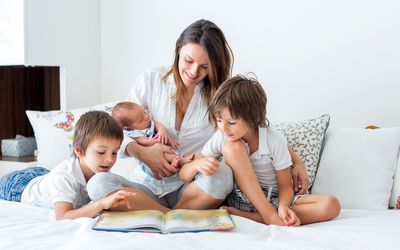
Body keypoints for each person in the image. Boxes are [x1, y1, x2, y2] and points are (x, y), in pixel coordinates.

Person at [87, 19, 308, 212]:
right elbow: (115, 131)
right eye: (188, 61)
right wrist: (141, 152)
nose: (194, 72)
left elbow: (255, 130)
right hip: (145, 185)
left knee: (222, 176)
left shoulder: (219, 94)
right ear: (178, 51)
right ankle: (168, 213)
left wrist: (296, 163)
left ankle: (163, 212)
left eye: (204, 67)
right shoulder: (151, 80)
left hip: (192, 187)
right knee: (97, 184)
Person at [180, 74, 341, 226]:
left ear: (254, 119)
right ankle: (269, 216)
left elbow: (285, 186)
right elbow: (184, 175)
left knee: (331, 205)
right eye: (219, 120)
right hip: (239, 197)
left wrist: (284, 206)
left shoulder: (274, 141)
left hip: (273, 199)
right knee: (232, 146)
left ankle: (256, 217)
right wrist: (195, 165)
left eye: (232, 122)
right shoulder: (222, 137)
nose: (223, 128)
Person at [0, 111, 135, 220]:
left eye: (115, 153)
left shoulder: (101, 169)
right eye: (101, 152)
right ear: (79, 151)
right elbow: (63, 216)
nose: (109, 160)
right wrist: (100, 204)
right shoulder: (64, 176)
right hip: (18, 186)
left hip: (44, 175)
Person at [111, 101, 194, 168]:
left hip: (161, 147)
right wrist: (158, 140)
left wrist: (162, 131)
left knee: (171, 145)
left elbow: (156, 124)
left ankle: (180, 157)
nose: (146, 117)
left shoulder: (148, 122)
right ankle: (179, 161)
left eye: (144, 112)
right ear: (128, 128)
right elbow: (145, 142)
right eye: (141, 119)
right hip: (153, 157)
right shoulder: (134, 132)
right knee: (164, 155)